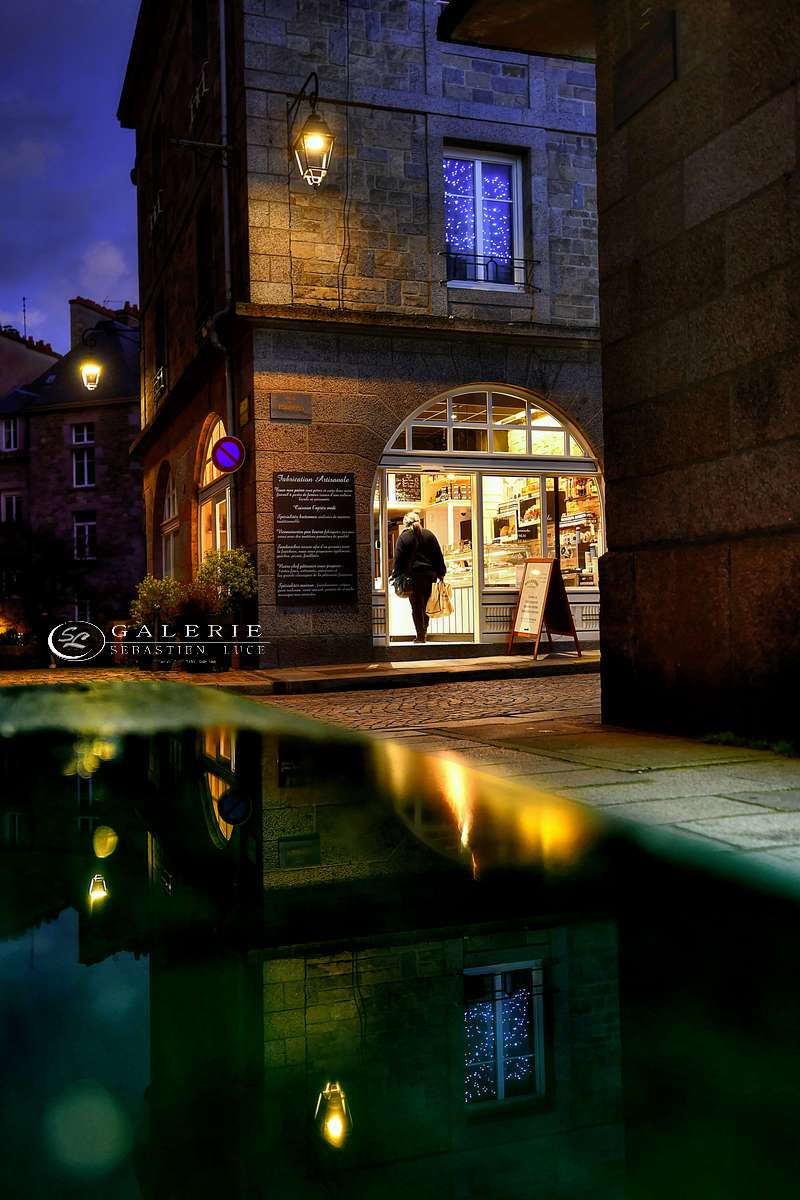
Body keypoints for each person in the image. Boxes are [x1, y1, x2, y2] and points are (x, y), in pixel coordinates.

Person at [391, 512, 446, 644]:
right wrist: (441, 572)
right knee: (427, 605)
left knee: (416, 606)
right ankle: (424, 631)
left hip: (413, 577)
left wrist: (396, 575)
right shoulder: (429, 535)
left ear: (405, 524)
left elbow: (398, 559)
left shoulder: (403, 538)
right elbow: (438, 555)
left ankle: (420, 635)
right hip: (430, 575)